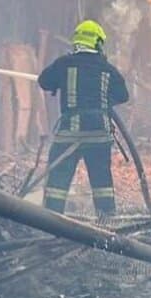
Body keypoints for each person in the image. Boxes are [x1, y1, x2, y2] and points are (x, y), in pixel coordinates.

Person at [37, 20, 129, 219]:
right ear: (98, 43)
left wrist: (59, 83)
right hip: (99, 134)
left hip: (70, 133)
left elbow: (44, 81)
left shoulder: (64, 63)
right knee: (101, 181)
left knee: (58, 182)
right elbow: (123, 95)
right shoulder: (107, 69)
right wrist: (104, 101)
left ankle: (51, 222)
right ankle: (107, 224)